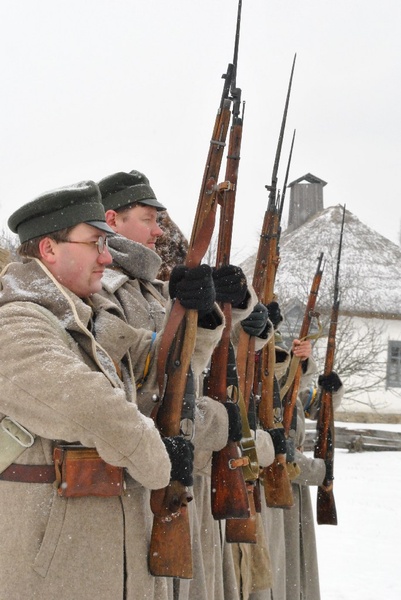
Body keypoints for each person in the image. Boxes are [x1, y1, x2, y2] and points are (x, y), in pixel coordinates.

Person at [0, 180, 194, 600]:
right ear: (49, 249)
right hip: (54, 574)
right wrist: (159, 458)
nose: (107, 257)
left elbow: (157, 366)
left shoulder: (85, 319)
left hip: (93, 563)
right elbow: (88, 405)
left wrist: (200, 315)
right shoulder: (16, 324)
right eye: (94, 244)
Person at [97, 169, 271, 600]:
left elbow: (214, 363)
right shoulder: (106, 292)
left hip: (181, 478)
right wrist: (217, 424)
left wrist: (235, 303)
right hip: (143, 483)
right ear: (111, 219)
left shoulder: (156, 291)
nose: (158, 230)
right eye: (148, 218)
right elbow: (140, 386)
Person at [283, 340, 344, 600]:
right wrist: (320, 472)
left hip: (294, 489)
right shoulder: (272, 390)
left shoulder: (294, 393)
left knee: (293, 569)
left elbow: (319, 408)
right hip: (278, 490)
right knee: (284, 568)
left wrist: (332, 388)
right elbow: (281, 453)